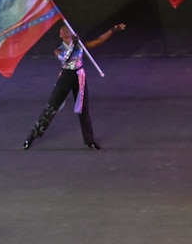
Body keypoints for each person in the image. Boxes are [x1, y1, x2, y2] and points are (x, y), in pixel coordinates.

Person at [23, 23, 123, 151]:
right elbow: (65, 58)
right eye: (63, 30)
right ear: (61, 35)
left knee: (83, 110)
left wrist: (113, 30)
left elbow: (98, 40)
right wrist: (73, 45)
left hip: (79, 77)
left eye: (68, 29)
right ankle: (31, 137)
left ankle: (90, 141)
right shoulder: (58, 49)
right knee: (51, 107)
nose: (66, 30)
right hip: (65, 78)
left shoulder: (80, 45)